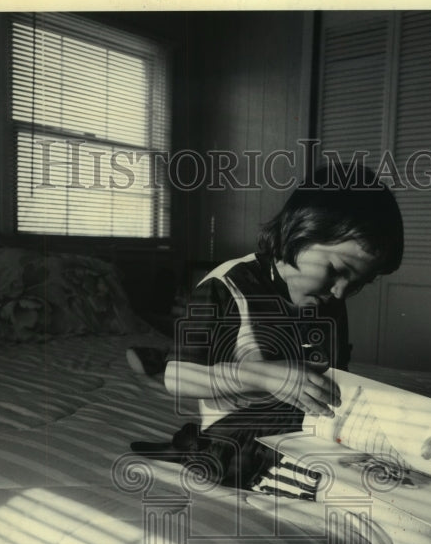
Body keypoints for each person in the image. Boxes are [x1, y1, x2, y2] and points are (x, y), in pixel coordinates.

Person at [158, 162, 404, 492]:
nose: (341, 292)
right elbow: (177, 377)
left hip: (308, 428)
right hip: (240, 436)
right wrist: (263, 375)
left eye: (359, 283)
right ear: (301, 231)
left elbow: (334, 374)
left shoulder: (329, 299)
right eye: (335, 270)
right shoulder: (227, 285)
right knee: (341, 486)